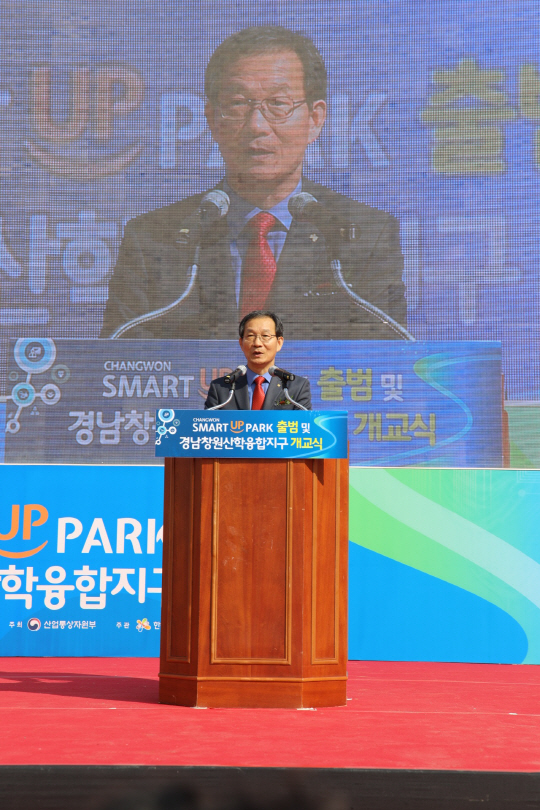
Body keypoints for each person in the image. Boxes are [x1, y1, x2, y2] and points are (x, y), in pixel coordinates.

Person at [100, 25, 407, 341]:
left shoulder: (363, 236)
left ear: (315, 119)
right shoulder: (153, 239)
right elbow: (119, 368)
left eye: (278, 103)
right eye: (238, 104)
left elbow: (385, 368)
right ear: (212, 119)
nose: (257, 125)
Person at [204, 311, 311, 410]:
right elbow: (207, 426)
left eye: (265, 336)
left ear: (279, 343)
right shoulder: (221, 388)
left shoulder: (296, 386)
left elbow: (305, 427)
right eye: (250, 336)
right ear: (241, 343)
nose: (257, 343)